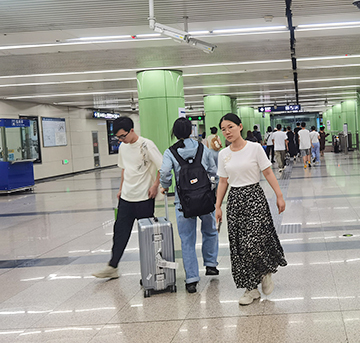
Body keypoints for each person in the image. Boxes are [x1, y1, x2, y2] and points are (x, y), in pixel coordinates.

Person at [215, 113, 287, 305]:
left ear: (240, 126)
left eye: (230, 127)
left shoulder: (255, 148)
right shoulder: (223, 154)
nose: (227, 132)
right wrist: (218, 206)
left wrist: (279, 195)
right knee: (239, 247)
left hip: (254, 196)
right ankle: (250, 289)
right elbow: (223, 181)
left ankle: (265, 272)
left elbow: (268, 172)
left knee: (253, 242)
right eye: (223, 129)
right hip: (235, 200)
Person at [93, 116, 163, 279]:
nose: (121, 140)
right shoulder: (123, 147)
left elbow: (162, 166)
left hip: (144, 198)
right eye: (118, 137)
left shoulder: (146, 145)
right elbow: (124, 169)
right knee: (120, 232)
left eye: (123, 136)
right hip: (126, 197)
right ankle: (113, 266)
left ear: (132, 130)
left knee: (147, 237)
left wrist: (155, 185)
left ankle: (151, 269)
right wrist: (120, 189)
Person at [159, 118, 219, 293]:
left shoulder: (170, 152)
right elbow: (213, 172)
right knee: (210, 230)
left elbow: (164, 171)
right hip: (205, 198)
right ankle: (210, 264)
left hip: (183, 202)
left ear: (175, 133)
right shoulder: (203, 148)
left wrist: (165, 184)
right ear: (191, 131)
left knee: (187, 239)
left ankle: (192, 279)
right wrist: (210, 188)